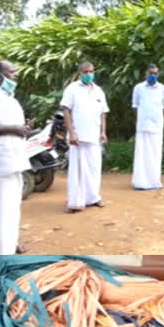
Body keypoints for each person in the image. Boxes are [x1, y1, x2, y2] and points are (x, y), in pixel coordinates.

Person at [0, 60, 31, 254]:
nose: (15, 75)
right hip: (0, 162)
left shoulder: (10, 98)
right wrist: (15, 129)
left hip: (14, 160)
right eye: (11, 72)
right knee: (1, 208)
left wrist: (24, 129)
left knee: (12, 207)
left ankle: (11, 242)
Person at [61, 61, 109, 213]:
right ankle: (75, 202)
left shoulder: (98, 90)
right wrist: (72, 132)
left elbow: (102, 114)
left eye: (91, 71)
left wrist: (103, 132)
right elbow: (66, 111)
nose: (89, 74)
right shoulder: (72, 88)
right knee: (77, 170)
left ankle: (93, 197)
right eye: (86, 72)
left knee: (94, 168)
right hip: (78, 137)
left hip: (94, 136)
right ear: (80, 73)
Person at [131, 63, 164, 190]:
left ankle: (154, 182)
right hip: (142, 126)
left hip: (157, 127)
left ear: (158, 74)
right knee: (141, 154)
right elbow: (135, 107)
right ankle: (140, 182)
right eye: (150, 73)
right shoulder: (138, 88)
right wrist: (143, 119)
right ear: (146, 73)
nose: (153, 75)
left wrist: (158, 122)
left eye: (155, 73)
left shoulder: (162, 88)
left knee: (155, 154)